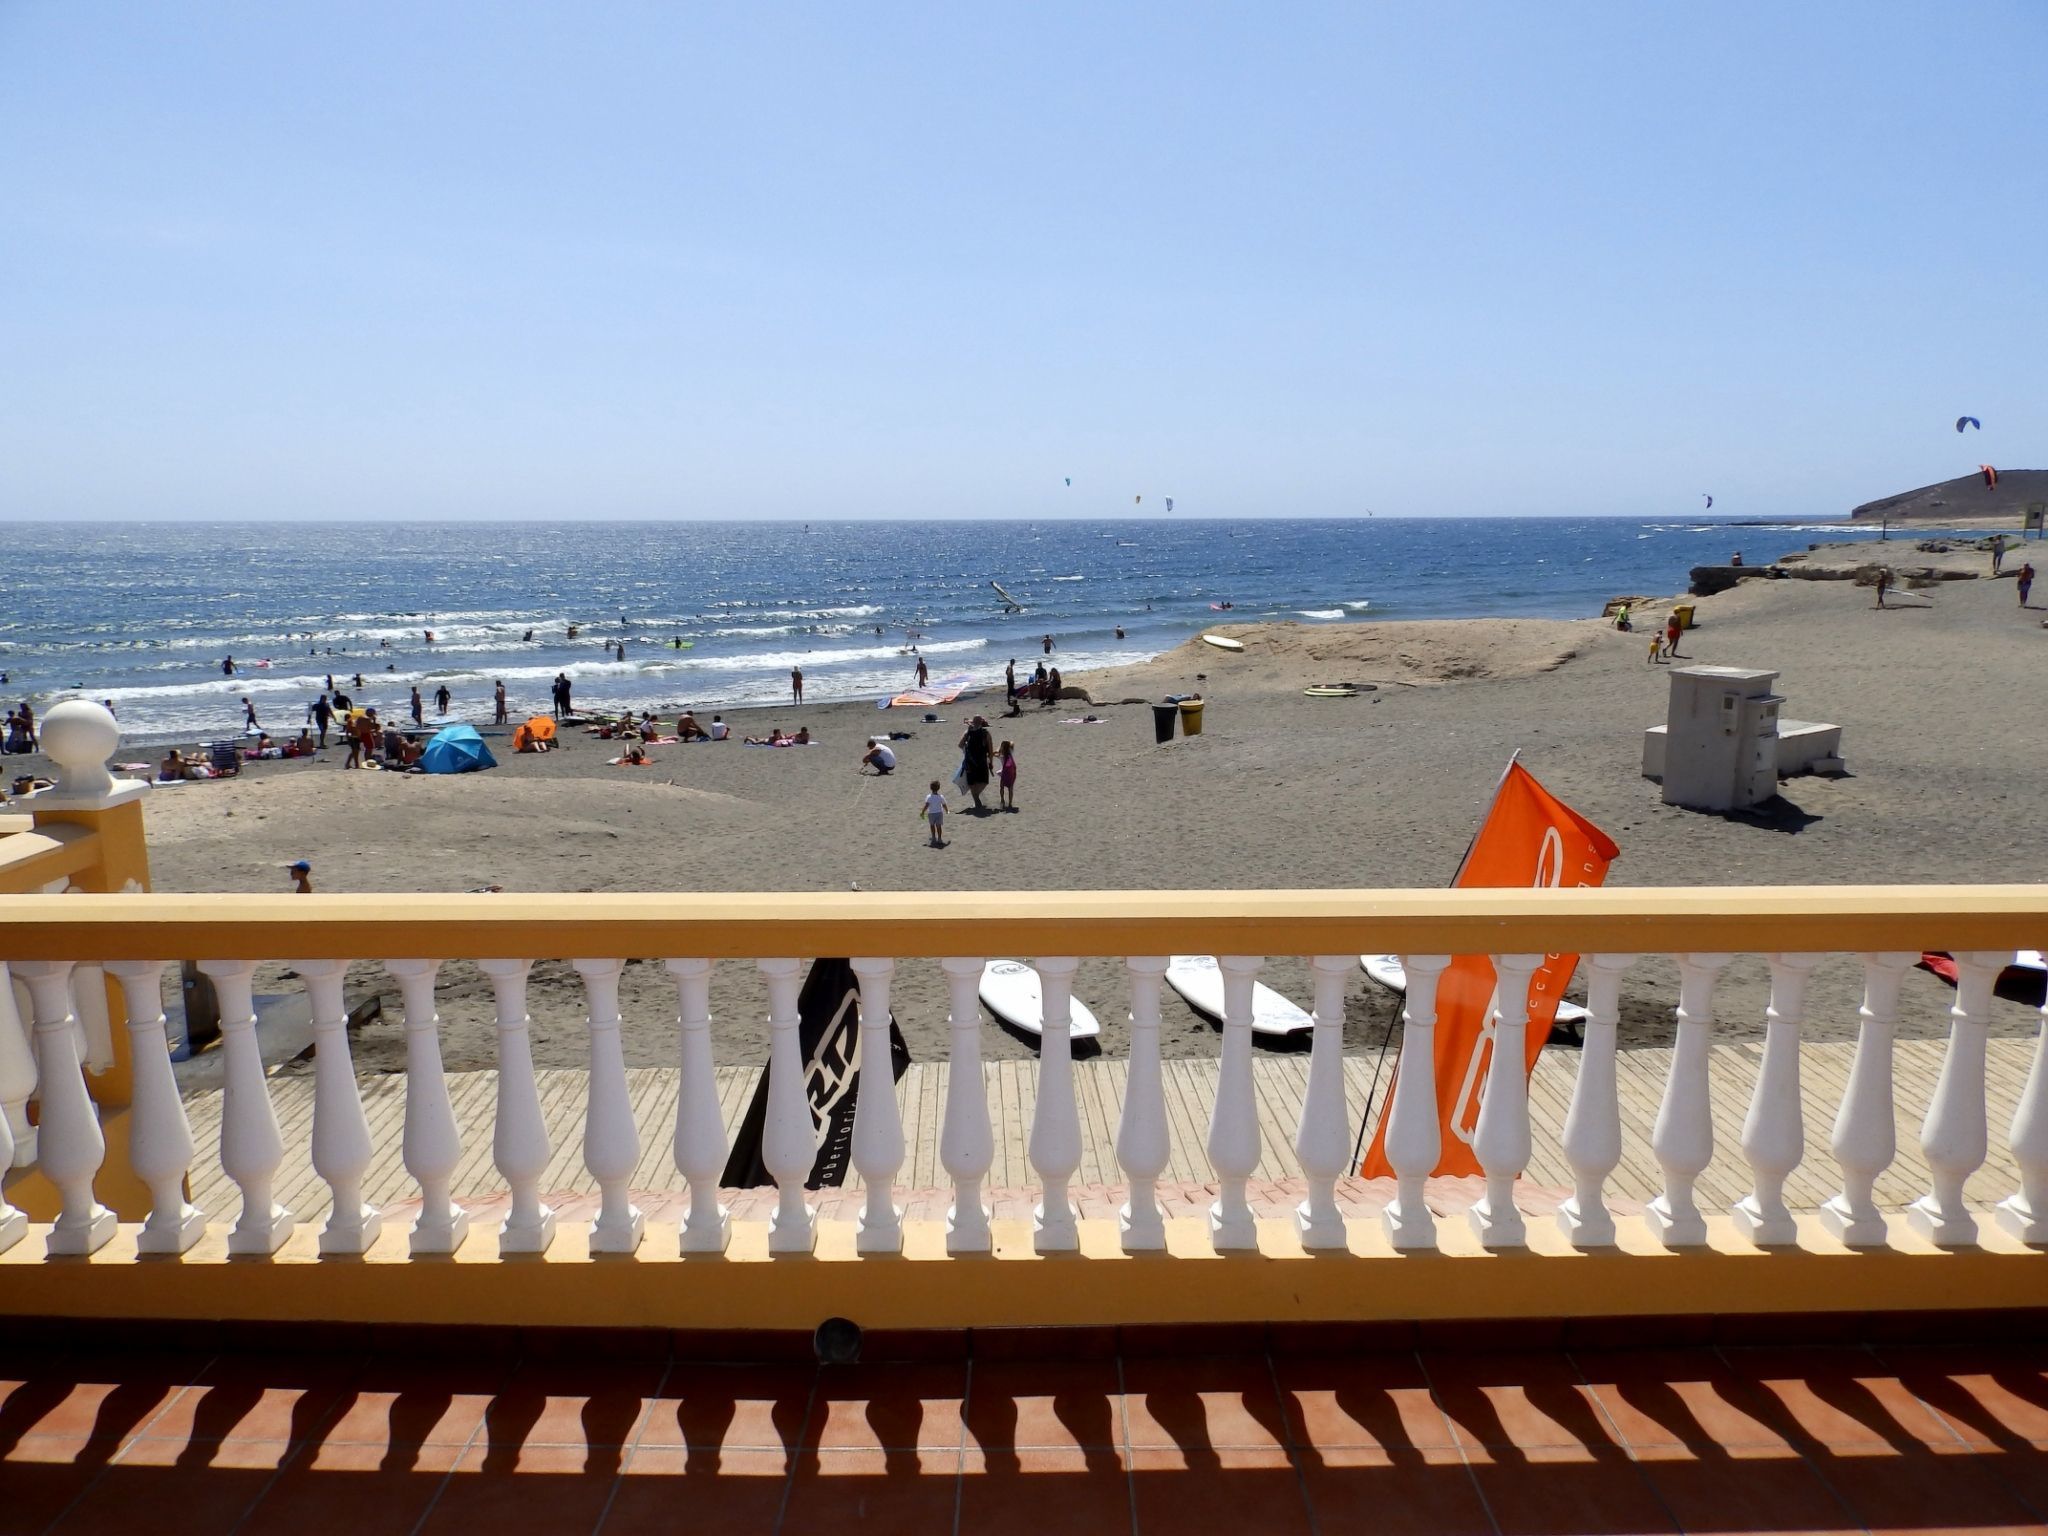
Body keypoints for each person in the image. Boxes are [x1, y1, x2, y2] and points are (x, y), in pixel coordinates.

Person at [958, 715, 993, 810]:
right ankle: (977, 799)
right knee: (984, 781)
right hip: (982, 760)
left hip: (970, 761)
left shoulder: (968, 732)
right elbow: (990, 750)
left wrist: (967, 749)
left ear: (973, 722)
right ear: (981, 722)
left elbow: (960, 745)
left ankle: (976, 800)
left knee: (972, 782)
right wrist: (991, 762)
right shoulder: (986, 733)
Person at [922, 780, 947, 847]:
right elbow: (944, 804)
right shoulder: (941, 796)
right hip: (939, 813)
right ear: (938, 788)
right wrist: (947, 810)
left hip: (931, 814)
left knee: (932, 825)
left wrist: (922, 812)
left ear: (930, 788)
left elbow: (926, 805)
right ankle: (939, 838)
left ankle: (933, 837)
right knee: (939, 826)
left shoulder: (929, 797)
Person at [998, 740, 1018, 811]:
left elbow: (996, 753)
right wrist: (1008, 743)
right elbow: (1012, 742)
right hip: (1011, 771)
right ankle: (1010, 804)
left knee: (1001, 786)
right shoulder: (1010, 752)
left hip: (1005, 772)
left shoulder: (1001, 755)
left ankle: (1002, 800)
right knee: (1010, 788)